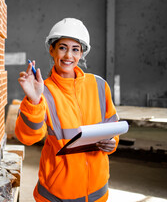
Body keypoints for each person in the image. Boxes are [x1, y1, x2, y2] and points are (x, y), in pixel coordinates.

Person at [15, 18, 119, 202]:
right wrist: (34, 99)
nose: (68, 55)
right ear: (52, 50)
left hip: (97, 191)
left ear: (82, 54)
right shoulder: (43, 91)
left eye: (75, 49)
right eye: (62, 47)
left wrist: (112, 142)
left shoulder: (99, 85)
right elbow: (28, 137)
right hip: (58, 194)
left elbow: (112, 125)